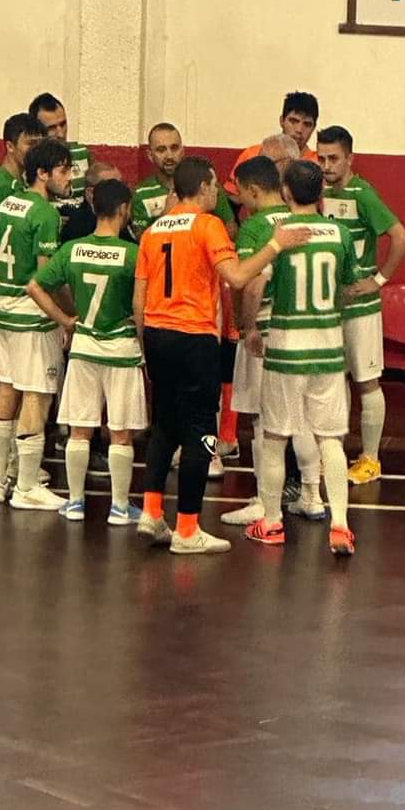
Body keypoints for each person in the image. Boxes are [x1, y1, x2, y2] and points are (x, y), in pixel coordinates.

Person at [133, 156, 312, 555]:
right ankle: (188, 529)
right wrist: (274, 244)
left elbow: (138, 298)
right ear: (202, 187)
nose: (219, 193)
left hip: (158, 335)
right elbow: (236, 276)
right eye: (215, 186)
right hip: (193, 337)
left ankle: (150, 512)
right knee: (202, 432)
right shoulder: (208, 225)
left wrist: (146, 345)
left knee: (163, 426)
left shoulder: (153, 230)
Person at [245, 160, 359, 556]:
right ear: (321, 192)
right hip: (328, 350)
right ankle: (341, 525)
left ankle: (272, 521)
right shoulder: (340, 234)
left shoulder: (278, 235)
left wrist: (250, 329)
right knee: (332, 440)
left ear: (287, 193)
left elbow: (255, 286)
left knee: (275, 438)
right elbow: (349, 286)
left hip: (287, 349)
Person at [27, 179, 147, 524]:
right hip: (122, 349)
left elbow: (35, 286)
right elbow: (140, 304)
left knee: (80, 429)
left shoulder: (72, 249)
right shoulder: (134, 254)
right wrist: (143, 342)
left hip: (83, 347)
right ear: (124, 210)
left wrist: (66, 320)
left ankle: (76, 502)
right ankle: (120, 508)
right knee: (121, 431)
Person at [219, 156, 322, 526]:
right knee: (304, 418)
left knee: (265, 422)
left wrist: (245, 327)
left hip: (266, 328)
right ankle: (312, 495)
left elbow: (245, 283)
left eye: (240, 193)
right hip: (308, 330)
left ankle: (266, 501)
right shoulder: (309, 221)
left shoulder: (253, 228)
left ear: (253, 190)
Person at [0, 139, 73, 510]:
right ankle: (27, 487)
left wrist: (8, 285)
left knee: (6, 390)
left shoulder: (7, 203)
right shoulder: (46, 214)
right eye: (64, 171)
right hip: (33, 321)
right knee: (36, 393)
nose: (70, 178)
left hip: (3, 313)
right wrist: (65, 318)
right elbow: (45, 278)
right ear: (42, 173)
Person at [317, 125, 405, 484]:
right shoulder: (317, 193)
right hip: (328, 307)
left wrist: (378, 281)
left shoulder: (363, 194)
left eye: (333, 158)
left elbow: (401, 238)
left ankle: (370, 459)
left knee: (367, 380)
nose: (326, 165)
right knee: (333, 379)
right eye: (321, 158)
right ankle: (334, 455)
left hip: (361, 308)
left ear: (349, 158)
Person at [0, 113, 44, 470]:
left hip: (6, 288)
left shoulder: (14, 184)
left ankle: (0, 452)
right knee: (0, 374)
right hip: (0, 289)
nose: (35, 150)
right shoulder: (3, 187)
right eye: (30, 143)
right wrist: (11, 281)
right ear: (11, 146)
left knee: (7, 375)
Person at [131, 123, 236, 238]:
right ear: (150, 155)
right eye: (161, 150)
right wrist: (165, 216)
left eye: (174, 148)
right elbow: (140, 240)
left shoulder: (207, 185)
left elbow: (230, 229)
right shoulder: (141, 193)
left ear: (182, 151)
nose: (169, 156)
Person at [223, 91, 320, 203]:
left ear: (313, 128)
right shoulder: (253, 154)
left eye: (307, 124)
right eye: (293, 121)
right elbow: (232, 197)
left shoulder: (317, 163)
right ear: (281, 121)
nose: (299, 130)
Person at [28, 92, 91, 225]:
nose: (61, 133)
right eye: (51, 128)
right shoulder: (30, 161)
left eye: (63, 124)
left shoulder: (82, 153)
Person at [59, 160, 136, 244]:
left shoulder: (123, 217)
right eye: (111, 186)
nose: (120, 191)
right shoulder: (75, 228)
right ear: (90, 193)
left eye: (121, 184)